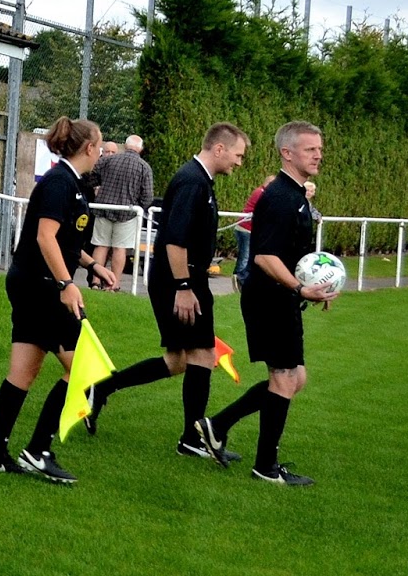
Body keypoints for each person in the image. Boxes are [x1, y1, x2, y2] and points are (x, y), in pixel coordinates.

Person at [84, 124, 250, 460]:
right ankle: (192, 439)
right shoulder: (192, 181)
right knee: (203, 356)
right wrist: (185, 287)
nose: (239, 162)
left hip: (180, 279)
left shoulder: (200, 180)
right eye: (238, 155)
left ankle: (100, 389)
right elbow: (174, 240)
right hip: (181, 280)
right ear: (219, 149)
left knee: (178, 361)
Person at [0, 116, 117, 484]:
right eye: (100, 145)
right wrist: (66, 283)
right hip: (41, 287)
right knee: (87, 370)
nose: (101, 151)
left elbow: (65, 239)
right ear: (89, 147)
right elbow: (45, 237)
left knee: (23, 372)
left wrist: (92, 265)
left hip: (34, 284)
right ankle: (38, 451)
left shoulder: (71, 183)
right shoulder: (59, 182)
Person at [202, 121, 335, 487]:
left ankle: (217, 425)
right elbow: (264, 257)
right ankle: (265, 466)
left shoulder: (297, 197)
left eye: (319, 149)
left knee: (296, 378)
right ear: (287, 153)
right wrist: (300, 288)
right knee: (285, 377)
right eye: (310, 149)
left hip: (284, 297)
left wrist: (316, 286)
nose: (318, 155)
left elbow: (297, 255)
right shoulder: (279, 197)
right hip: (269, 299)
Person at [91, 134, 153, 282]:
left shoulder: (107, 160)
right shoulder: (144, 167)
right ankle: (113, 283)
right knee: (120, 249)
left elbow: (92, 177)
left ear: (125, 146)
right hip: (127, 213)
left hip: (103, 208)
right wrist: (138, 206)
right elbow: (148, 196)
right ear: (140, 149)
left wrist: (98, 188)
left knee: (101, 246)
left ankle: (95, 281)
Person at [235, 176, 276, 289]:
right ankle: (240, 277)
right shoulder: (261, 193)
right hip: (246, 228)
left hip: (247, 228)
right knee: (245, 255)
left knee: (246, 255)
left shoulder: (261, 192)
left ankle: (240, 276)